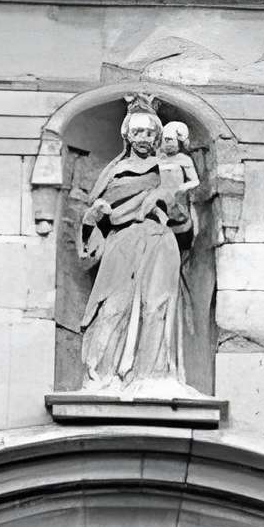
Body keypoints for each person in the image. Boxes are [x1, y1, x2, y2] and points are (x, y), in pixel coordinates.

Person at [76, 103, 199, 396]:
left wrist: (168, 202)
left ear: (158, 136)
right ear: (128, 136)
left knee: (157, 306)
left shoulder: (167, 168)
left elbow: (184, 224)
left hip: (159, 239)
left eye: (149, 132)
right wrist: (91, 219)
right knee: (111, 307)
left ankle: (152, 377)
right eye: (137, 131)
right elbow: (91, 229)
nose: (143, 137)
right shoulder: (114, 172)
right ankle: (101, 377)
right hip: (122, 242)